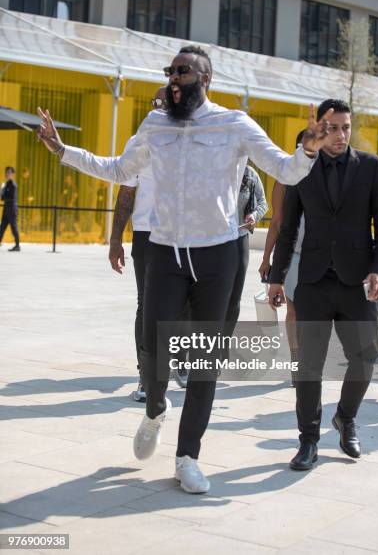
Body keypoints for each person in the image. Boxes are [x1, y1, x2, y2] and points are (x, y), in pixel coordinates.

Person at [37, 45, 332, 494]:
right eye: (171, 73)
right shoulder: (154, 125)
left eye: (183, 73)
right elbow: (119, 170)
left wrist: (308, 150)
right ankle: (155, 408)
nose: (174, 80)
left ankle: (187, 457)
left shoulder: (234, 123)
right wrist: (63, 150)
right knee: (157, 350)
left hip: (218, 257)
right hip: (166, 254)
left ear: (205, 79)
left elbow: (284, 170)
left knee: (204, 361)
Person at [268, 99, 378, 471]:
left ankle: (346, 417)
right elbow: (288, 227)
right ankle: (308, 440)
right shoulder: (301, 168)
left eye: (345, 127)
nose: (340, 135)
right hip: (313, 281)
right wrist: (276, 277)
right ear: (319, 128)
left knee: (365, 357)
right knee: (309, 365)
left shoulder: (371, 167)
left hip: (357, 283)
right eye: (333, 127)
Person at [109, 87, 188, 402]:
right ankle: (147, 376)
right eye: (153, 103)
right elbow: (126, 193)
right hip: (146, 235)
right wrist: (115, 239)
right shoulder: (137, 142)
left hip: (185, 236)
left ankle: (179, 362)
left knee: (183, 305)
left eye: (163, 103)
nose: (157, 108)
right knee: (148, 306)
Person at [259, 132, 306, 386]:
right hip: (294, 255)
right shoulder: (285, 178)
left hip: (324, 257)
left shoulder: (328, 175)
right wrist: (267, 259)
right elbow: (276, 222)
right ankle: (297, 360)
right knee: (294, 311)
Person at [223, 164, 268, 341]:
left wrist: (254, 215)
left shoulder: (250, 175)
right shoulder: (212, 170)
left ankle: (223, 344)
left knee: (234, 298)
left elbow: (263, 203)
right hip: (213, 243)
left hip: (239, 240)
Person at [0, 166, 20, 251]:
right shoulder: (6, 184)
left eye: (9, 172)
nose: (7, 174)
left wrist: (3, 196)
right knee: (2, 227)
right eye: (7, 172)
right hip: (6, 210)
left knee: (14, 228)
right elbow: (2, 197)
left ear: (12, 174)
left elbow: (11, 197)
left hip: (12, 210)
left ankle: (17, 245)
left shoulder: (13, 185)